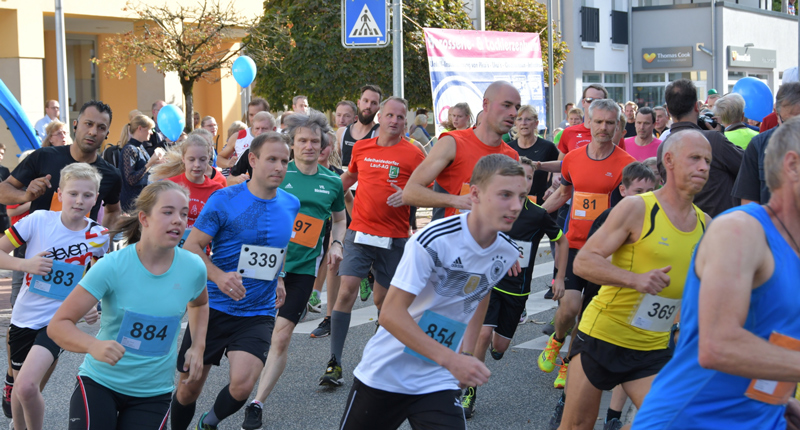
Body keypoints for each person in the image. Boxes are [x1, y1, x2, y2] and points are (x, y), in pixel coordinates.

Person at [632, 118, 800, 430]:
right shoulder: (742, 229)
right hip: (688, 420)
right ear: (793, 166)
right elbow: (718, 345)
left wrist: (779, 400)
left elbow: (772, 338)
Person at [338, 154, 524, 429]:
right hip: (387, 372)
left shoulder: (506, 251)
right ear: (475, 194)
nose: (516, 206)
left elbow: (481, 293)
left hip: (438, 378)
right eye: (505, 195)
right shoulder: (434, 239)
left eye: (522, 196)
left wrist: (466, 354)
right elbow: (389, 314)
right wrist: (452, 359)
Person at [553, 130, 711, 430]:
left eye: (707, 161)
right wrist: (635, 280)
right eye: (695, 158)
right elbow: (585, 261)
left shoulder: (706, 224)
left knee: (669, 421)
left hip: (651, 347)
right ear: (670, 161)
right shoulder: (638, 208)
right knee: (577, 425)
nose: (703, 167)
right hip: (603, 337)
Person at [47, 180, 208, 429]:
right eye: (168, 212)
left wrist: (198, 346)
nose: (178, 220)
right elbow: (58, 325)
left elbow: (199, 304)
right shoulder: (112, 266)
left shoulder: (193, 267)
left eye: (184, 214)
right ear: (144, 218)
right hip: (101, 383)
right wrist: (93, 345)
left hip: (153, 393)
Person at [170, 132, 300, 430]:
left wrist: (279, 275)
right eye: (272, 159)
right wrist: (217, 274)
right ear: (253, 160)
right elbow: (192, 246)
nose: (279, 167)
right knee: (189, 388)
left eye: (284, 161)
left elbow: (276, 247)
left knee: (242, 385)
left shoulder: (291, 204)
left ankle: (209, 423)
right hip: (212, 306)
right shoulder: (224, 199)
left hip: (257, 310)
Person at [241, 111, 347, 429]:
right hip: (261, 262)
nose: (309, 146)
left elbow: (340, 219)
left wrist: (337, 244)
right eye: (302, 140)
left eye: (315, 141)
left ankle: (257, 402)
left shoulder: (331, 182)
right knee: (252, 332)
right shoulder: (277, 174)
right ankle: (238, 383)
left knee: (282, 335)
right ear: (292, 143)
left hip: (300, 271)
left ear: (324, 145)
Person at [319, 97, 426, 388]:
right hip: (361, 231)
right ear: (380, 117)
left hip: (395, 237)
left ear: (405, 121)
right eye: (389, 115)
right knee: (346, 291)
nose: (394, 121)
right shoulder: (363, 147)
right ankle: (335, 362)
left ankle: (381, 359)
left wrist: (407, 192)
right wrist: (321, 198)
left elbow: (427, 187)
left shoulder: (415, 154)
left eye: (400, 117)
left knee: (383, 300)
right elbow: (350, 175)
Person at [0, 163, 108, 430]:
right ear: (60, 194)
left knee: (26, 387)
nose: (79, 201)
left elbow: (95, 276)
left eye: (87, 195)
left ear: (96, 198)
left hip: (58, 320)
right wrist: (26, 265)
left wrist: (92, 304)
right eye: (73, 193)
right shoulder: (38, 220)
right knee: (18, 387)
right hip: (25, 317)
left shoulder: (99, 235)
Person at [539, 99, 636, 391]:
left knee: (588, 312)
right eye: (599, 122)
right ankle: (556, 340)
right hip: (574, 245)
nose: (604, 128)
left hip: (605, 251)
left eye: (610, 123)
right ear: (589, 124)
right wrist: (535, 217)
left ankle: (569, 362)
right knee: (569, 306)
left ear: (618, 126)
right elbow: (564, 194)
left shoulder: (627, 165)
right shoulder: (573, 159)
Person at [461, 156, 568, 419]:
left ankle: (498, 346)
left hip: (517, 290)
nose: (524, 182)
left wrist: (560, 277)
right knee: (482, 335)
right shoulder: (494, 207)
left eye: (529, 177)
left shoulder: (538, 214)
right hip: (489, 282)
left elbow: (561, 241)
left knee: (499, 347)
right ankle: (469, 392)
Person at [403, 80, 521, 218]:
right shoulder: (452, 142)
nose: (513, 113)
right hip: (450, 236)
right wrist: (456, 201)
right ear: (486, 105)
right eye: (506, 105)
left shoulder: (512, 157)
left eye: (517, 107)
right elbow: (410, 192)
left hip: (491, 238)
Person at [0, 100, 122, 228]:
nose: (93, 132)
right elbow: (3, 190)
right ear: (75, 125)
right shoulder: (43, 156)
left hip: (83, 247)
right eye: (88, 124)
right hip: (38, 245)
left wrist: (104, 240)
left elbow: (113, 210)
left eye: (101, 127)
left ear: (107, 134)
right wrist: (25, 196)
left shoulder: (111, 174)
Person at [656, 79, 743, 217]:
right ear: (697, 107)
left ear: (667, 111)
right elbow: (748, 166)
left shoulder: (663, 148)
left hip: (682, 229)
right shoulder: (714, 140)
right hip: (721, 228)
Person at [733, 82, 800, 206]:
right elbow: (749, 202)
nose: (796, 129)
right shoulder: (758, 145)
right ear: (776, 114)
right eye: (789, 123)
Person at [149, 134, 224, 233]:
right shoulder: (168, 185)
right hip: (173, 244)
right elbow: (156, 220)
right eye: (191, 159)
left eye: (202, 160)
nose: (197, 165)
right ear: (183, 158)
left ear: (208, 158)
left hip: (205, 246)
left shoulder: (217, 190)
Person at [507, 106, 559, 204]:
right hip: (513, 203)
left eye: (528, 119)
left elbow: (561, 168)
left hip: (542, 203)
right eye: (519, 119)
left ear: (536, 123)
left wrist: (553, 187)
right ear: (515, 123)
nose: (523, 123)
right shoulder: (508, 148)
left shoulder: (548, 147)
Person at [120, 115, 164, 212]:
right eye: (150, 129)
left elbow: (145, 171)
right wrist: (150, 163)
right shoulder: (129, 149)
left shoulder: (140, 147)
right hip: (132, 205)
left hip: (143, 201)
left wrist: (157, 162)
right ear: (140, 128)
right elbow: (131, 179)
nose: (152, 133)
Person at [340, 85, 382, 167]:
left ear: (378, 108)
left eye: (373, 103)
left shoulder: (380, 134)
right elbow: (333, 163)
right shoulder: (342, 132)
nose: (368, 106)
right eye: (365, 101)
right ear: (358, 103)